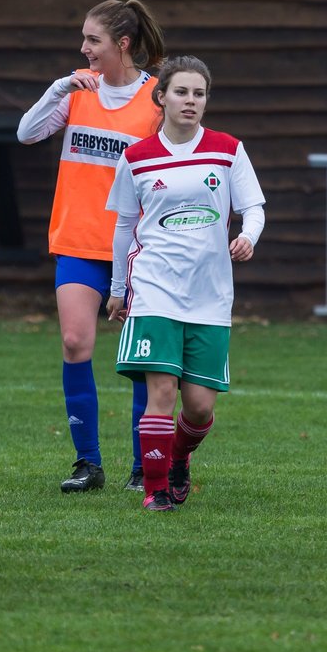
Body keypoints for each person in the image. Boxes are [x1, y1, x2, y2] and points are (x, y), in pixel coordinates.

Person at [17, 0, 166, 493]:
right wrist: (59, 86)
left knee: (143, 359)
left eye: (92, 40)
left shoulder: (156, 100)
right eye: (83, 39)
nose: (83, 49)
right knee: (75, 343)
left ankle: (145, 466)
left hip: (138, 249)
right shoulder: (77, 90)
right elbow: (27, 133)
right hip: (78, 242)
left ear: (121, 45)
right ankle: (88, 463)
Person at [105, 56, 266, 512]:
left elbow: (253, 206)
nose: (190, 101)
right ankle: (156, 491)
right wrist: (119, 288)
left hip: (210, 295)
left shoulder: (227, 149)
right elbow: (124, 227)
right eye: (181, 92)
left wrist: (247, 236)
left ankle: (178, 458)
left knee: (198, 407)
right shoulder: (135, 157)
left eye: (199, 93)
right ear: (162, 97)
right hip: (155, 288)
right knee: (160, 392)